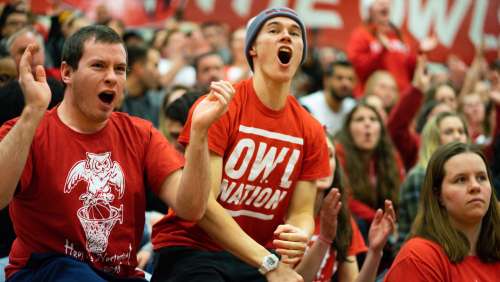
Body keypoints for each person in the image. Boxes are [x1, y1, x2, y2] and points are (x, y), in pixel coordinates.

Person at [0, 25, 233, 281]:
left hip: (119, 273)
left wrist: (199, 134)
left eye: (119, 69)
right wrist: (32, 111)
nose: (112, 77)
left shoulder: (140, 133)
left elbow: (191, 208)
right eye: (98, 66)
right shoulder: (28, 129)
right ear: (67, 72)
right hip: (44, 269)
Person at [151, 7, 330, 282]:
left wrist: (299, 233)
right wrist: (269, 263)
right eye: (274, 31)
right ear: (252, 50)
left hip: (255, 257)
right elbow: (204, 208)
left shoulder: (311, 128)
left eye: (294, 34)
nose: (286, 37)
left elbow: (303, 211)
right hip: (193, 248)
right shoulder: (220, 106)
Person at [385, 142, 500, 281]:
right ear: (438, 195)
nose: (475, 186)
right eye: (461, 180)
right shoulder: (418, 257)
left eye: (481, 177)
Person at [296, 135, 395, 282]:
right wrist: (324, 240)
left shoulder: (339, 216)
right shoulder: (279, 214)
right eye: (315, 153)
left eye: (330, 156)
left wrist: (375, 252)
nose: (323, 162)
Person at [396, 111, 468, 252]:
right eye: (449, 132)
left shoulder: (471, 175)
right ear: (433, 139)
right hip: (419, 254)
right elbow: (428, 230)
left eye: (461, 131)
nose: (458, 136)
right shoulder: (419, 176)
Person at [299, 59, 357, 136]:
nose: (345, 83)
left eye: (350, 79)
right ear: (326, 80)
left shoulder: (353, 108)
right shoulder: (307, 105)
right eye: (339, 78)